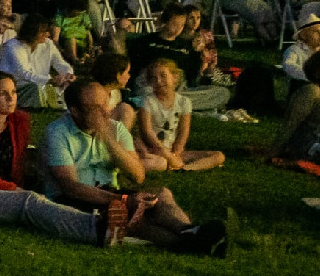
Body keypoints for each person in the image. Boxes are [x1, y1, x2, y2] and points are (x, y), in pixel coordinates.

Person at [44, 80, 224, 254]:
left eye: (106, 104)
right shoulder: (58, 132)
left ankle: (191, 232)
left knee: (162, 194)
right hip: (74, 201)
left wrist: (108, 138)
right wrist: (123, 200)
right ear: (75, 111)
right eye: (95, 108)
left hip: (110, 191)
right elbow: (70, 188)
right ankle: (195, 241)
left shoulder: (116, 129)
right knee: (132, 218)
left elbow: (138, 175)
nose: (105, 112)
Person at [126, 4, 232, 111]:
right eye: (175, 24)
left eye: (182, 25)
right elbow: (135, 69)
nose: (178, 28)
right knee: (147, 93)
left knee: (223, 93)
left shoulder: (185, 46)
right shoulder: (147, 41)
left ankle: (165, 104)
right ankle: (172, 104)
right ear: (166, 22)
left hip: (178, 90)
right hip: (152, 86)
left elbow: (192, 79)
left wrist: (197, 55)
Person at [134, 58, 225, 172]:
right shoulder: (147, 101)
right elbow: (147, 132)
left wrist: (177, 150)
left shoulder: (184, 102)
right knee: (158, 159)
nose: (158, 81)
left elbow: (183, 130)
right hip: (154, 150)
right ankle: (174, 164)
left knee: (218, 156)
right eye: (154, 78)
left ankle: (186, 168)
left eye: (163, 76)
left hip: (173, 150)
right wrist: (166, 153)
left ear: (175, 77)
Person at [0, 14, 73, 108]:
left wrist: (68, 75)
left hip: (42, 84)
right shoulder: (13, 46)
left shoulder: (48, 44)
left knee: (69, 87)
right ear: (33, 32)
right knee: (35, 89)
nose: (48, 35)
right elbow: (24, 73)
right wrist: (50, 81)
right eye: (43, 32)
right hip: (18, 85)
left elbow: (60, 63)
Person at [282, 12, 320, 85]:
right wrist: (314, 74)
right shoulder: (294, 50)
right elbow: (288, 66)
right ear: (304, 35)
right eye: (316, 32)